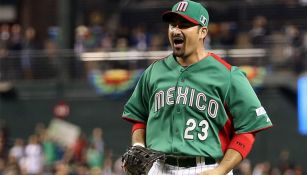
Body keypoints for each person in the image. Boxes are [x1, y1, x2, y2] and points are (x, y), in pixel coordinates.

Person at [121, 0, 273, 174]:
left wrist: (221, 170)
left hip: (208, 167)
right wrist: (139, 145)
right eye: (172, 25)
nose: (176, 30)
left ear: (203, 32)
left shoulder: (228, 75)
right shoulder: (153, 72)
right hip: (158, 167)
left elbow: (248, 129)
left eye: (184, 25)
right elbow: (139, 116)